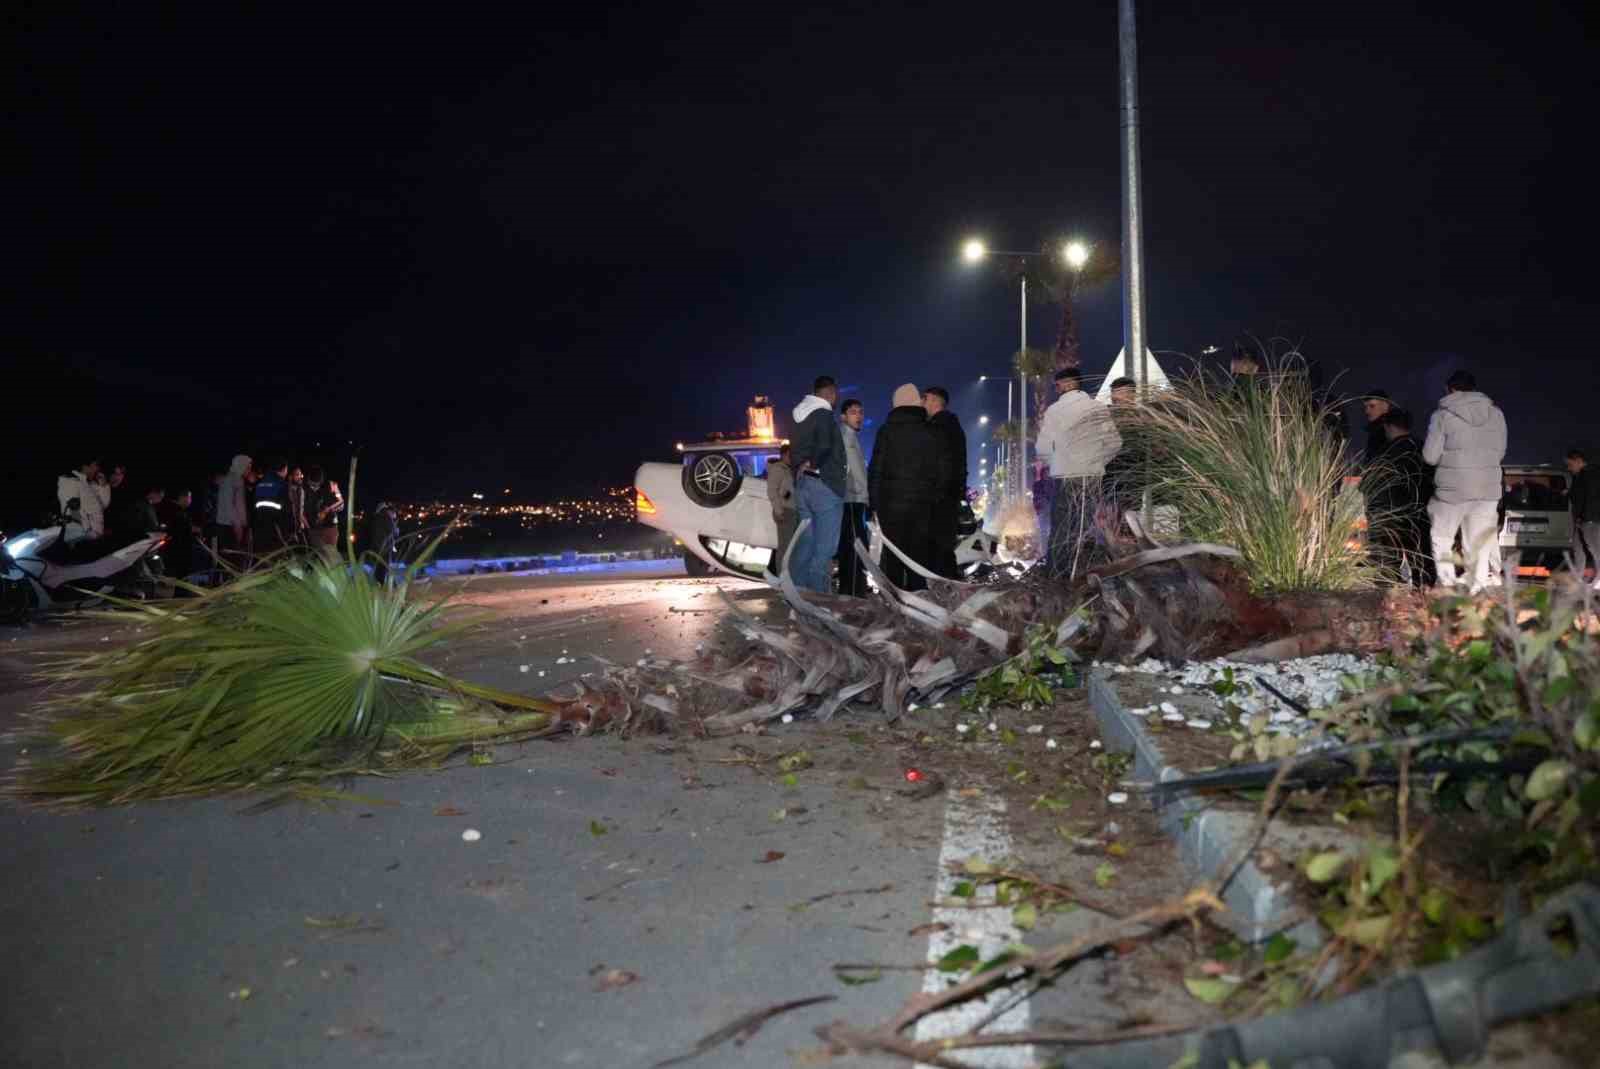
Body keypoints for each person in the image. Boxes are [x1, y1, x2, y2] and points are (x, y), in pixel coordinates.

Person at [1423, 370, 1507, 592]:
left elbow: (1430, 457)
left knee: (1442, 535)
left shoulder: (1441, 415)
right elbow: (1499, 452)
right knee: (1478, 539)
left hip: (1453, 487)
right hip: (1487, 488)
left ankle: (1447, 583)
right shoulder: (1496, 414)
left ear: (1450, 389)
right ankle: (1477, 586)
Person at [1036, 367, 1122, 580]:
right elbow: (1114, 443)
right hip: (1092, 476)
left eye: (1057, 386)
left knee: (1062, 528)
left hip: (1065, 476)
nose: (1057, 390)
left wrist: (1056, 462)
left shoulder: (1054, 411)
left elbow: (1043, 448)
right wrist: (1097, 461)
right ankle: (1090, 573)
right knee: (1089, 526)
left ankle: (1060, 576)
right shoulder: (1097, 408)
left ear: (1064, 385)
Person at [869, 384, 947, 591]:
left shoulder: (886, 431)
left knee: (893, 558)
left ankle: (893, 604)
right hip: (921, 507)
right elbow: (939, 472)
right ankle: (918, 605)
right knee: (918, 559)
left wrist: (874, 505)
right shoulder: (931, 431)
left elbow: (876, 469)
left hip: (890, 506)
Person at [788, 375, 847, 594]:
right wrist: (814, 463)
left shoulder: (798, 416)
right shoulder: (823, 414)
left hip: (803, 486)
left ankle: (797, 596)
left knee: (806, 544)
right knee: (825, 549)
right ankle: (820, 603)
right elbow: (824, 445)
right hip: (824, 486)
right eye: (836, 394)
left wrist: (803, 467)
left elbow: (794, 450)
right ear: (830, 393)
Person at [1367, 410, 1433, 587]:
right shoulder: (1423, 448)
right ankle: (1424, 596)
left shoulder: (1385, 452)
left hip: (1390, 515)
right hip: (1420, 514)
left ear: (1387, 427)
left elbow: (1370, 484)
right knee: (1422, 560)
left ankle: (1388, 599)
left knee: (1389, 564)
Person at [922, 386, 967, 579]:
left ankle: (942, 587)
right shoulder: (952, 425)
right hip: (949, 495)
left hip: (939, 497)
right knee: (945, 546)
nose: (922, 403)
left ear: (933, 401)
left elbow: (938, 463)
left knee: (937, 547)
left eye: (925, 399)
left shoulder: (938, 427)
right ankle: (949, 585)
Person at [836, 400, 871, 595]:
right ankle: (853, 594)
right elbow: (851, 471)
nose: (858, 416)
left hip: (855, 500)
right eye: (853, 412)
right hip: (851, 500)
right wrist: (862, 493)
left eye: (860, 412)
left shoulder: (852, 437)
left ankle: (853, 590)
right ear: (843, 417)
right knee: (855, 548)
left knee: (853, 548)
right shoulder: (845, 437)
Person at [764, 443, 797, 580]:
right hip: (785, 511)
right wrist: (778, 510)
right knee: (785, 547)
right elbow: (772, 491)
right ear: (783, 455)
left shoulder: (789, 469)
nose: (792, 458)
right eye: (790, 455)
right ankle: (781, 576)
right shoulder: (778, 469)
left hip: (791, 510)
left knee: (790, 546)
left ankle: (786, 575)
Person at [57, 456, 110, 542]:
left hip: (92, 536)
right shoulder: (70, 482)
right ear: (86, 466)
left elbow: (102, 506)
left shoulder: (86, 483)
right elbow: (73, 514)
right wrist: (90, 533)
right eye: (96, 465)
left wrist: (103, 487)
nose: (98, 469)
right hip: (81, 538)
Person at [1567, 449, 1599, 585]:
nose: (1568, 467)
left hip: (1590, 520)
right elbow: (1577, 496)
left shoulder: (1591, 475)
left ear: (1578, 461)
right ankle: (1577, 578)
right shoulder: (1579, 476)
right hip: (1581, 520)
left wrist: (1585, 517)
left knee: (1596, 549)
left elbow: (1591, 498)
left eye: (1570, 464)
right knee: (1578, 549)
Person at [250, 458, 292, 560]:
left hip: (259, 528)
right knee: (277, 560)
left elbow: (253, 506)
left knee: (263, 560)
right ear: (284, 469)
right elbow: (286, 510)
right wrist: (288, 532)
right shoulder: (282, 484)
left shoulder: (260, 483)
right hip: (276, 529)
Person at [303, 465, 346, 560]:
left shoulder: (331, 486)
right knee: (318, 556)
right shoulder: (303, 488)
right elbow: (300, 511)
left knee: (331, 555)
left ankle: (334, 573)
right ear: (308, 479)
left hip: (330, 528)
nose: (314, 487)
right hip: (313, 530)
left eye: (317, 484)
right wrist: (308, 527)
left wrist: (328, 510)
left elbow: (341, 505)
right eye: (312, 484)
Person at [216, 454, 252, 566]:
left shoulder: (235, 479)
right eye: (248, 467)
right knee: (232, 564)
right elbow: (230, 506)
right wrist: (238, 527)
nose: (249, 470)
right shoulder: (233, 480)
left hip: (232, 528)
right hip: (230, 529)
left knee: (231, 563)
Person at [367, 502, 399, 584]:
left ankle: (378, 583)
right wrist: (396, 529)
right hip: (385, 545)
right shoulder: (386, 516)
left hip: (376, 545)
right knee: (384, 565)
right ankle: (384, 583)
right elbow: (392, 531)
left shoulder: (377, 517)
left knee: (379, 565)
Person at [1360, 390, 1394, 468]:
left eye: (1372, 406)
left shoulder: (1388, 431)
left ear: (1386, 406)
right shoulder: (1376, 430)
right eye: (1365, 407)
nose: (1367, 411)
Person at [286, 466, 309, 545]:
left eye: (300, 474)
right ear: (291, 476)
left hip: (299, 527)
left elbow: (300, 509)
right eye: (297, 474)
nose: (300, 477)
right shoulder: (287, 489)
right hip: (290, 527)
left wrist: (305, 524)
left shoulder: (301, 489)